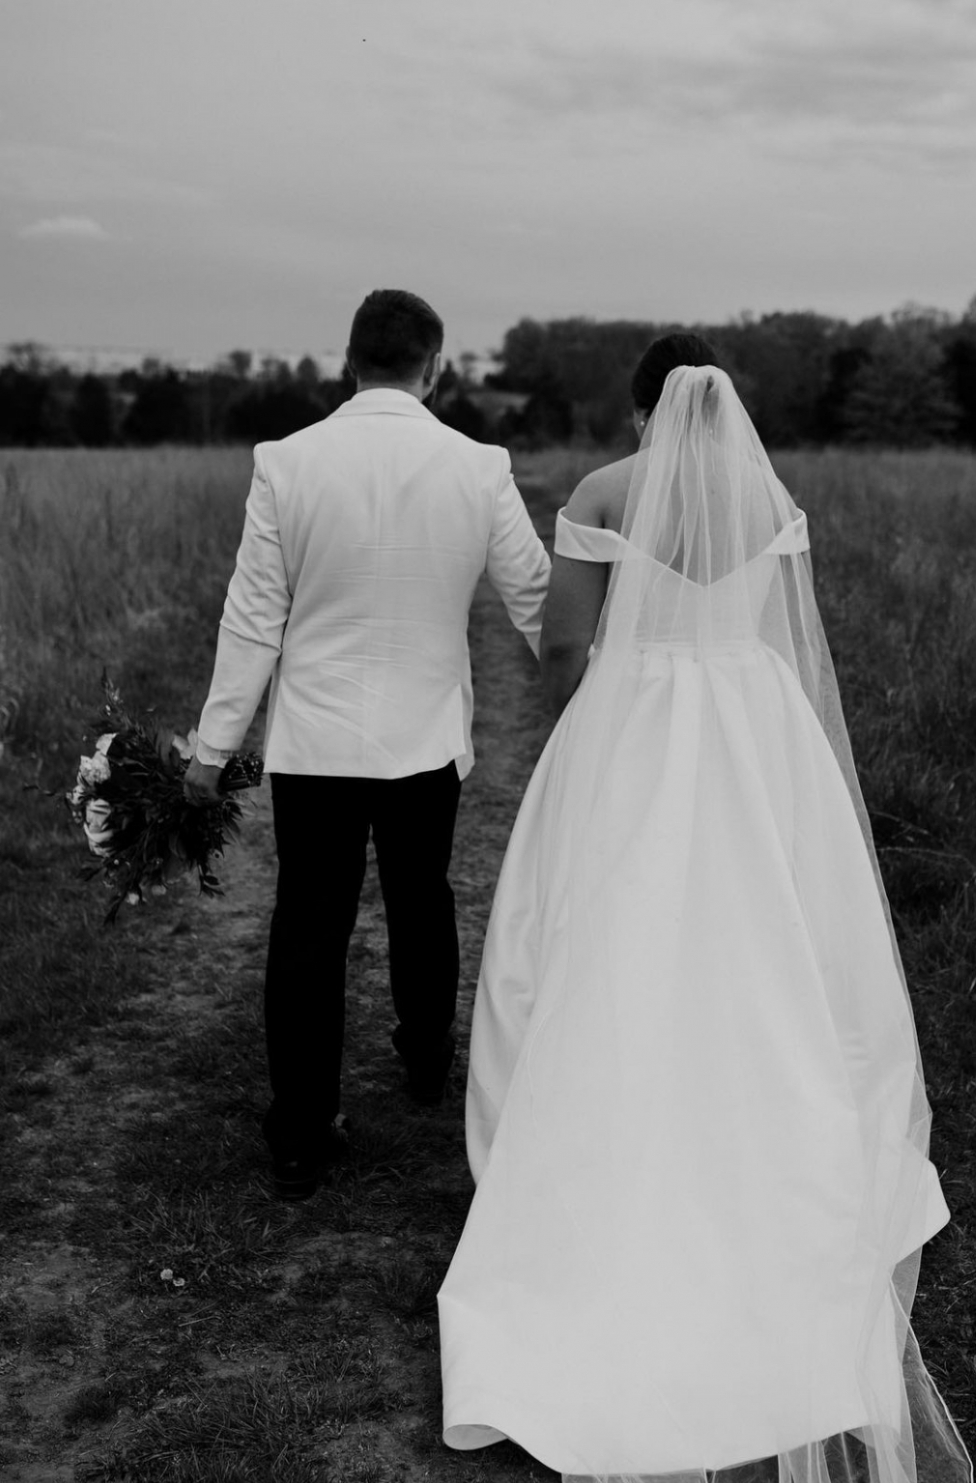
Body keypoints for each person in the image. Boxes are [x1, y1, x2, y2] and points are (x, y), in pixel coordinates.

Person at [437, 336, 973, 1483]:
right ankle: (764, 1125)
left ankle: (598, 1141)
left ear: (645, 411)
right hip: (756, 729)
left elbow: (566, 640)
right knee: (769, 941)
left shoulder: (603, 490)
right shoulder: (769, 496)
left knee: (603, 936)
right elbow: (788, 633)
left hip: (638, 723)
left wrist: (585, 713)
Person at [183, 289, 551, 1201]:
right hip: (425, 740)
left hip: (316, 743)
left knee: (310, 919)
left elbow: (252, 618)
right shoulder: (479, 466)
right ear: (436, 367)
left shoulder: (286, 462)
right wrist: (612, 684)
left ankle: (301, 1133)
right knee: (423, 898)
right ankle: (426, 1056)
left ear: (348, 361)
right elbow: (537, 601)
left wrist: (211, 748)